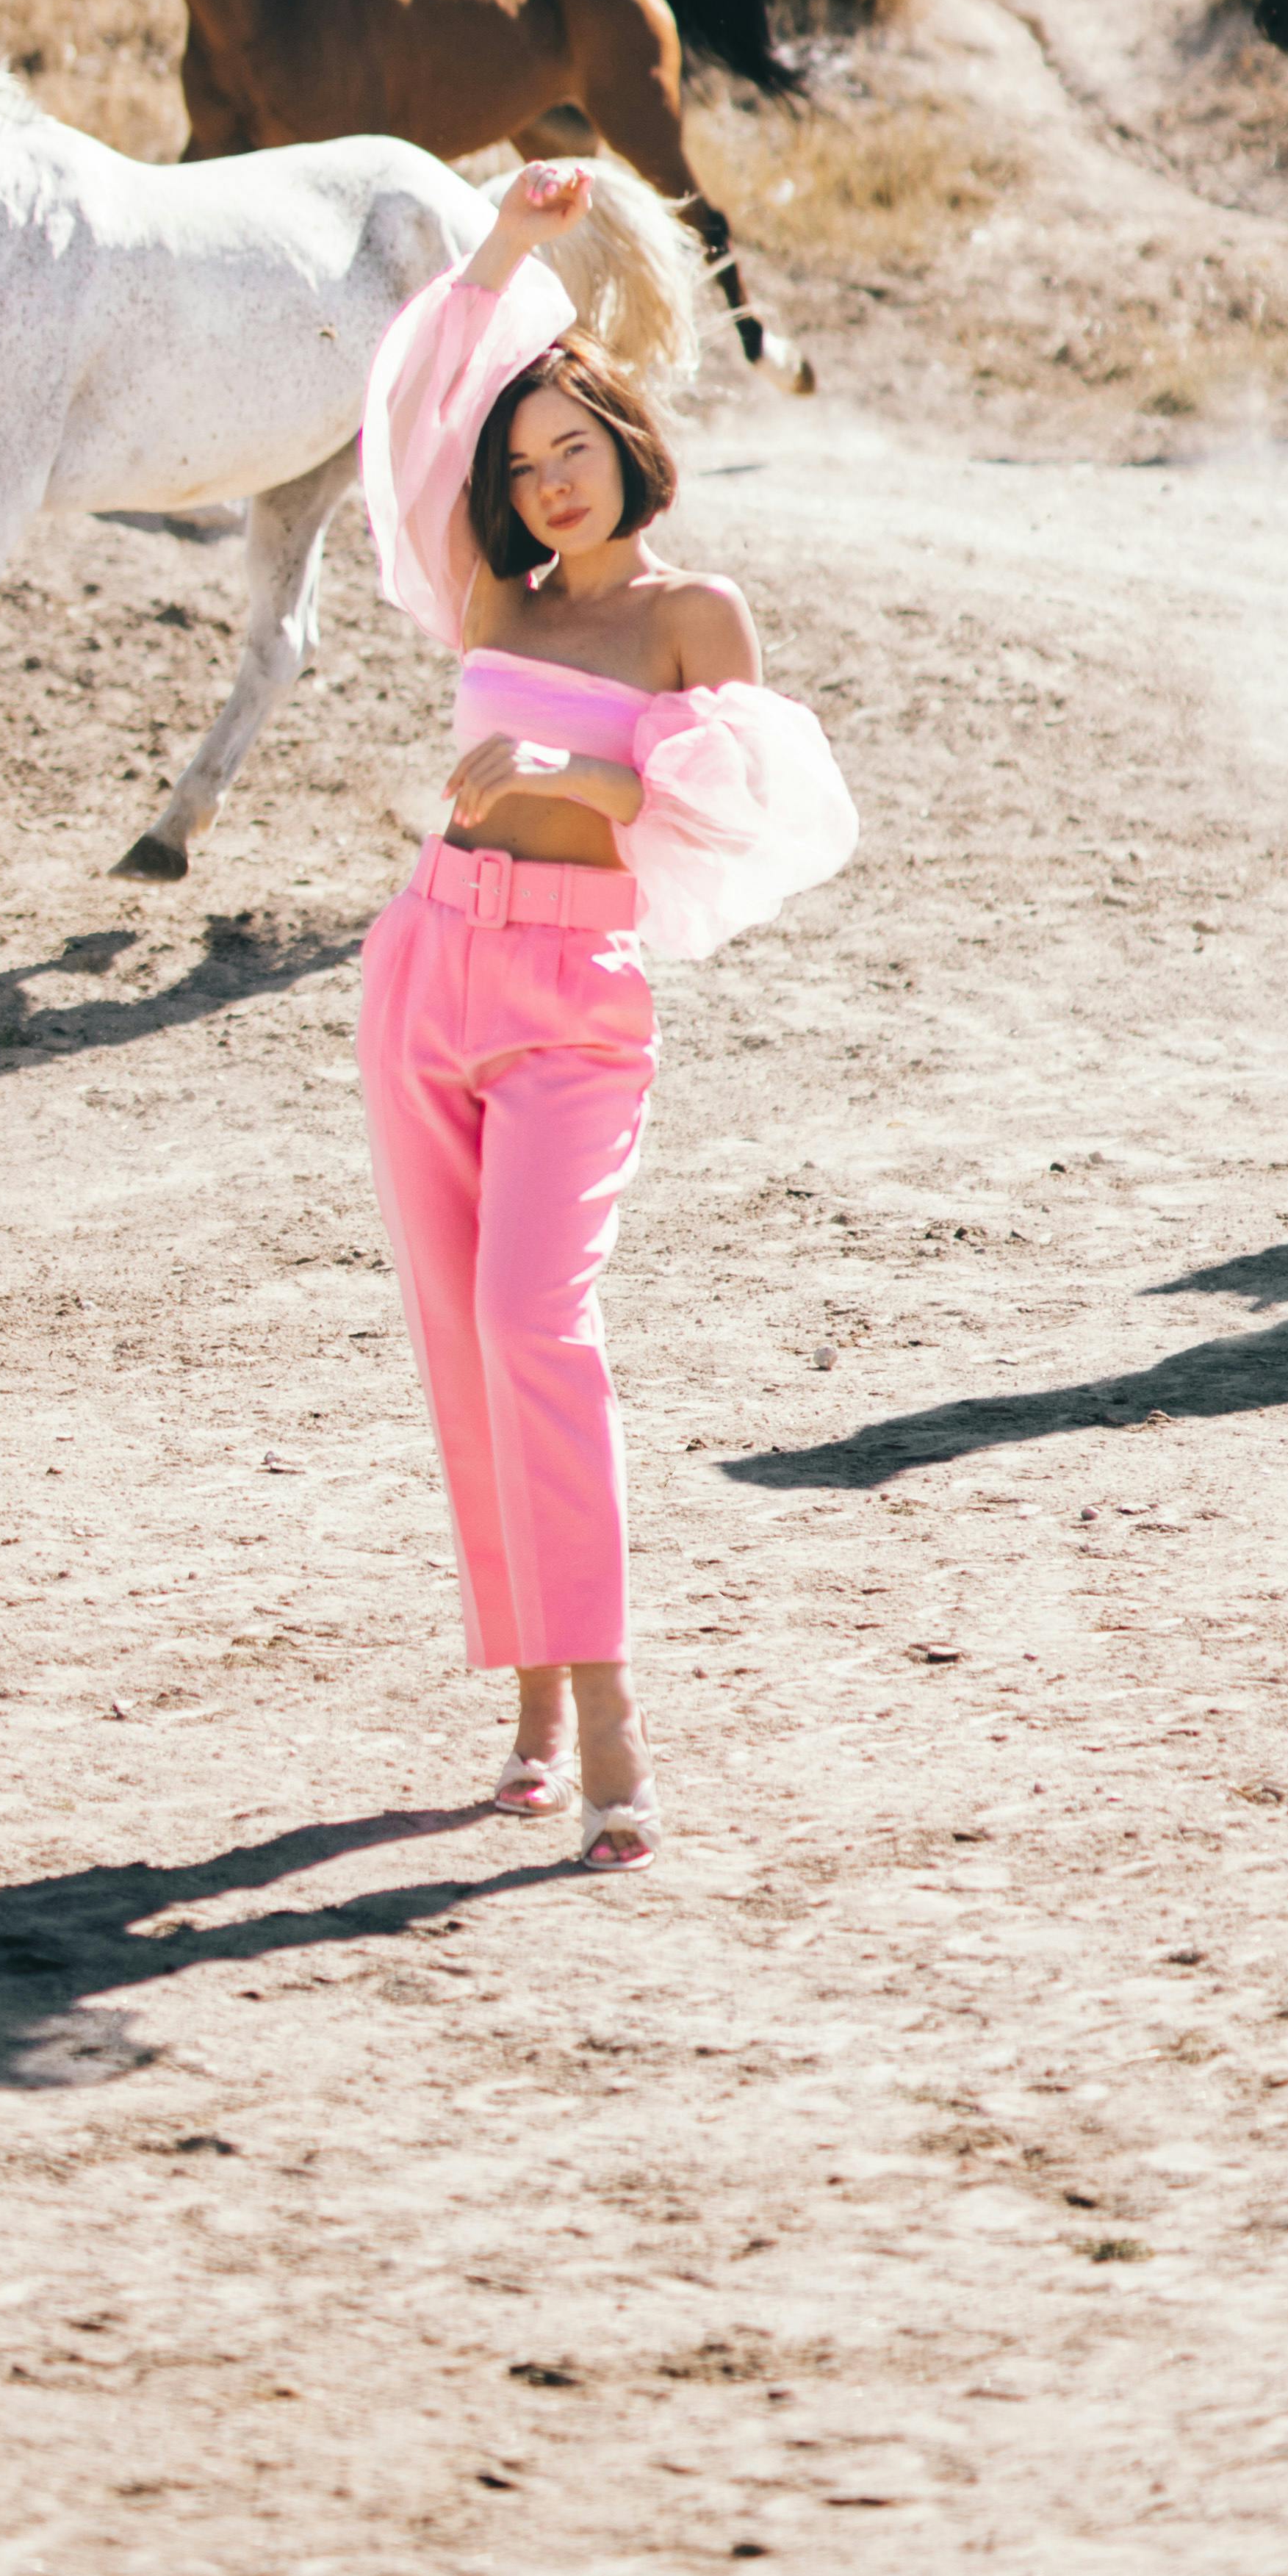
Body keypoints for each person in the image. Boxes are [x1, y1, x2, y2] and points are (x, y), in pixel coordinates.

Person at [354, 155, 855, 1866]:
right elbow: (420, 409)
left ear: (627, 449)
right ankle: (527, 1696)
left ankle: (612, 1698)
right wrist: (501, 244)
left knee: (533, 1330)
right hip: (426, 963)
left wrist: (578, 758)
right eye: (521, 465)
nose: (542, 482)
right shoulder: (486, 589)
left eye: (569, 452)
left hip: (576, 994)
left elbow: (757, 810)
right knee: (456, 1348)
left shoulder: (687, 612)